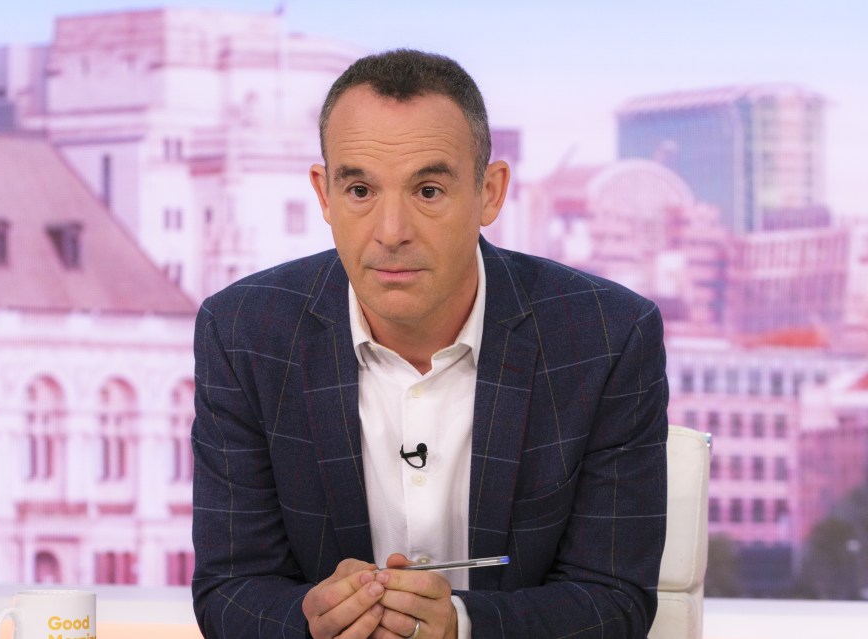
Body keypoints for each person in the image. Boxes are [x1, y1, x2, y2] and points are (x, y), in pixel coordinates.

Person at [191, 49, 668, 639]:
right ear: (324, 195)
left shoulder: (607, 336)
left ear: (490, 193)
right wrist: (310, 625)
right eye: (361, 190)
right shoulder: (243, 333)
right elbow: (229, 589)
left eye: (429, 191)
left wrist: (459, 626)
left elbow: (614, 600)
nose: (391, 233)